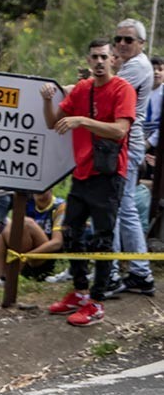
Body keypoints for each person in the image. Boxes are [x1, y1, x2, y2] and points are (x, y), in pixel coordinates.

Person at [41, 39, 135, 326]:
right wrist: (47, 100)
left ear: (114, 59)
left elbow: (120, 130)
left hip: (108, 176)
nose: (99, 62)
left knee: (102, 239)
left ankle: (97, 301)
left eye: (104, 57)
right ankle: (80, 291)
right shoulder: (82, 89)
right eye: (94, 56)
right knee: (70, 232)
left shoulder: (122, 89)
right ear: (88, 58)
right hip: (81, 172)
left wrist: (82, 121)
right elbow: (52, 123)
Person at [107, 19, 155, 296]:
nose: (122, 44)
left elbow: (106, 90)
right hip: (123, 143)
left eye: (129, 39)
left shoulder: (137, 67)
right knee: (124, 209)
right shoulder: (130, 66)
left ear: (141, 43)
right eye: (119, 39)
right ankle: (138, 271)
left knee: (117, 208)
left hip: (124, 143)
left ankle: (114, 272)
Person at [0, 189, 65, 286]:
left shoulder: (60, 206)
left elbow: (57, 243)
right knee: (4, 229)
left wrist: (26, 256)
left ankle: (9, 276)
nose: (38, 191)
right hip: (26, 258)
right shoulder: (27, 203)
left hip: (48, 259)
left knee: (26, 222)